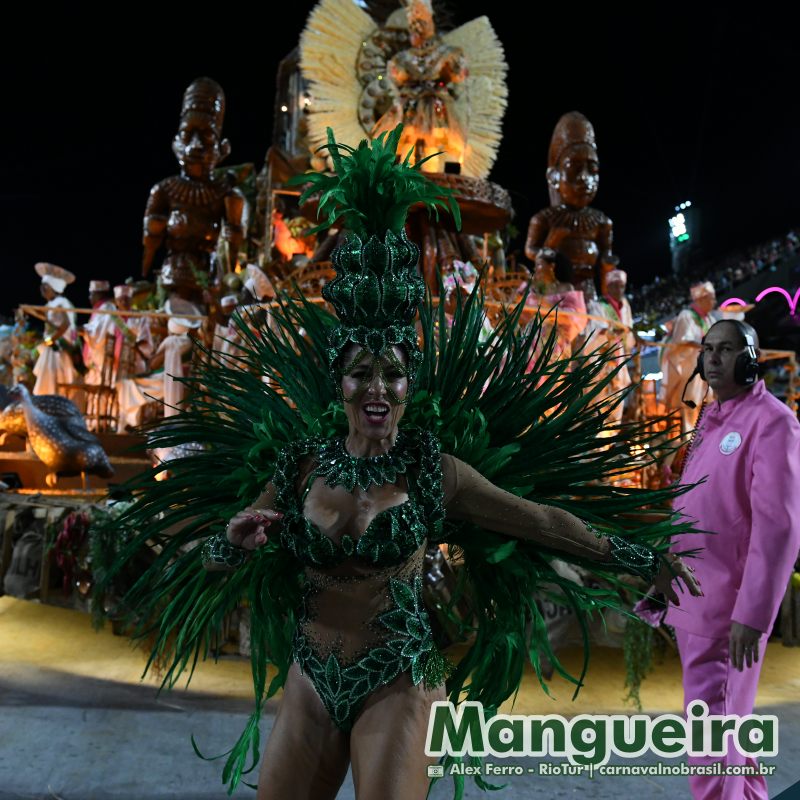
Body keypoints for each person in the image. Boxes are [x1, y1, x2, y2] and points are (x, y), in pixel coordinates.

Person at [104, 126, 701, 800]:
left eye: (394, 374)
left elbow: (541, 523)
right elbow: (219, 559)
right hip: (311, 677)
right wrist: (229, 543)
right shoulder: (301, 464)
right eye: (362, 373)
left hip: (398, 677)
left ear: (410, 386)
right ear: (340, 384)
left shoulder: (431, 469)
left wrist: (635, 554)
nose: (378, 389)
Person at [664, 319, 800, 800]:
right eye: (708, 349)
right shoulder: (710, 418)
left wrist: (753, 613)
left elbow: (778, 528)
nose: (714, 358)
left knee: (712, 745)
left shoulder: (773, 421)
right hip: (695, 602)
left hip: (728, 613)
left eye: (727, 349)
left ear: (751, 359)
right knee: (728, 735)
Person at [660, 281, 716, 434]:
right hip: (691, 367)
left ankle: (703, 441)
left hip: (706, 369)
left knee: (706, 405)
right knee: (691, 405)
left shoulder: (709, 319)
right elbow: (683, 341)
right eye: (711, 298)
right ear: (702, 299)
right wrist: (703, 346)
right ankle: (689, 447)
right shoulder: (687, 315)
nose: (714, 302)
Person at [585, 268, 636, 424]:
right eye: (615, 285)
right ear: (608, 287)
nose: (619, 290)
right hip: (603, 358)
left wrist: (629, 337)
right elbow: (595, 331)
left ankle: (611, 443)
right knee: (602, 401)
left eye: (622, 286)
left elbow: (629, 333)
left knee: (617, 401)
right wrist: (610, 333)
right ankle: (600, 445)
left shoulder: (625, 306)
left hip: (618, 358)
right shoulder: (598, 305)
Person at [31, 262, 79, 397]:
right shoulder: (50, 304)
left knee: (53, 376)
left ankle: (54, 403)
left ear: (53, 287)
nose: (42, 289)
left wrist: (51, 339)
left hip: (58, 347)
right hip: (51, 344)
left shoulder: (61, 303)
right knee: (46, 376)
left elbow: (66, 324)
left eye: (45, 287)